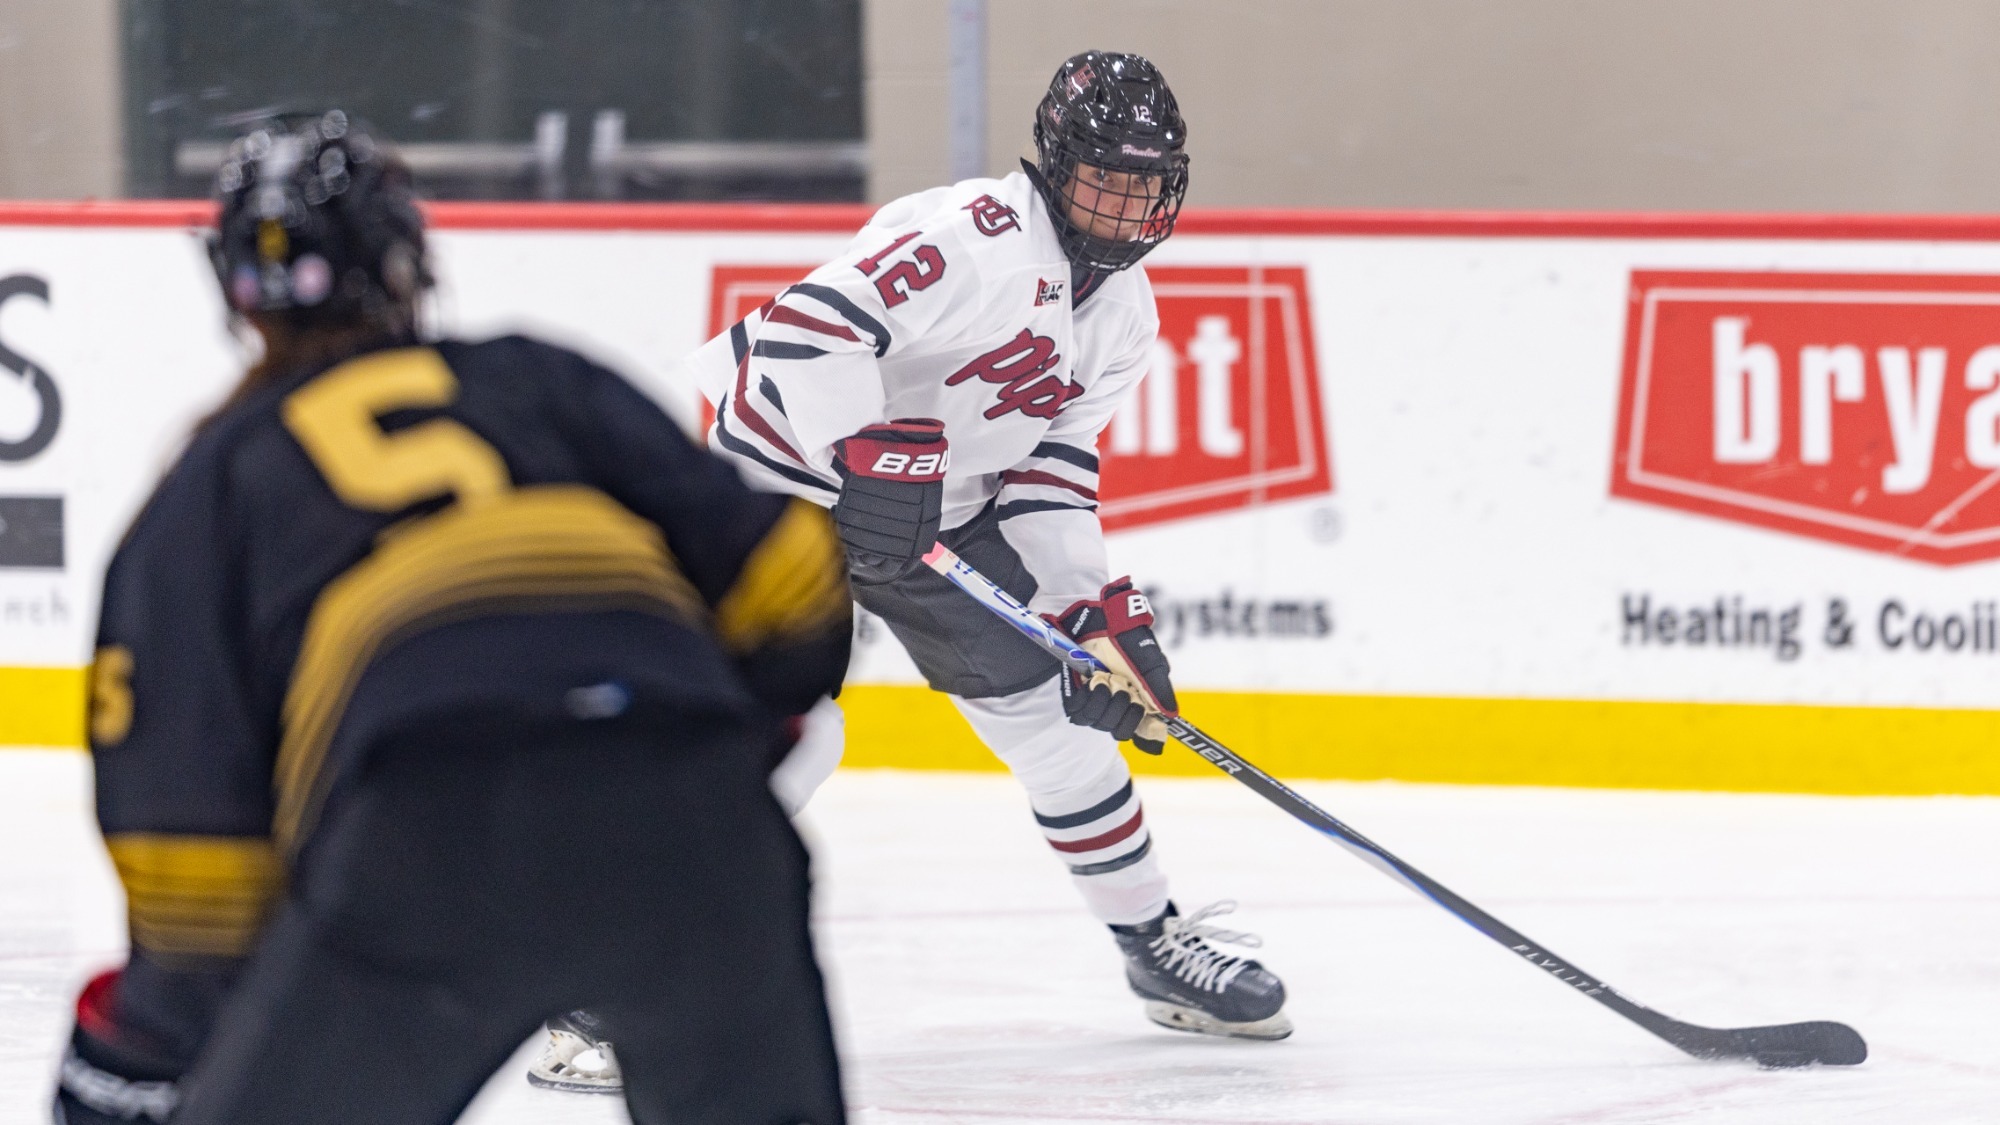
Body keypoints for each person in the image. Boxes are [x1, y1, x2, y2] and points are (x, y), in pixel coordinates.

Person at [51, 111, 851, 1125]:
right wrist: (698, 759)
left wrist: (160, 1035)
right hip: (696, 820)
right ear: (406, 258)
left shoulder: (209, 491)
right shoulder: (541, 380)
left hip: (429, 839)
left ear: (235, 292)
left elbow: (189, 853)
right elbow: (796, 595)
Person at [529, 46, 1288, 1097]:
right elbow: (800, 329)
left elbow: (1052, 472)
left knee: (1052, 721)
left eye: (1144, 184)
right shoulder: (965, 237)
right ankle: (603, 975)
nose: (1123, 207)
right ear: (1055, 167)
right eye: (1103, 179)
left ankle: (1153, 943)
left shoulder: (1124, 313)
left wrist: (1084, 618)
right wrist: (858, 451)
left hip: (946, 508)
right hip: (785, 488)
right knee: (791, 737)